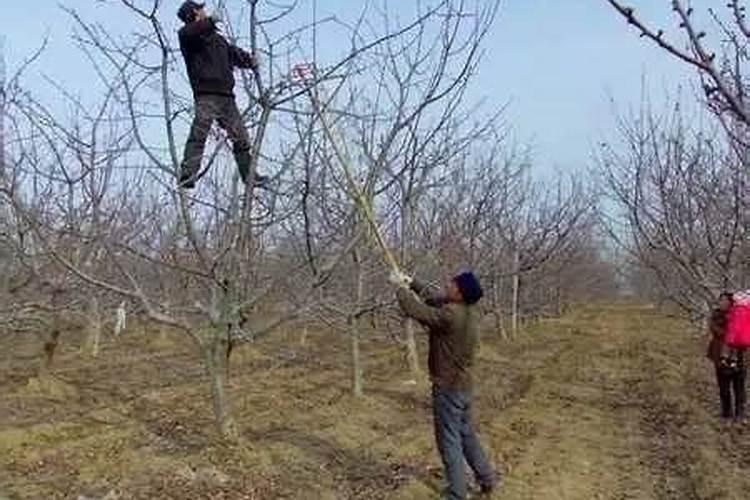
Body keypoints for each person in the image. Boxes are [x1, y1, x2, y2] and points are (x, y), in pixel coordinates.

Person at [389, 269, 497, 499]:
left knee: (448, 440)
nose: (447, 284)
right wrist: (413, 283)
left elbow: (417, 310)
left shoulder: (450, 316)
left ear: (459, 292)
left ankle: (457, 493)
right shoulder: (468, 311)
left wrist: (399, 289)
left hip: (448, 388)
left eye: (452, 283)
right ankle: (486, 478)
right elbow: (435, 298)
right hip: (464, 386)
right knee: (467, 435)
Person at [176, 1, 269, 189]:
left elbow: (233, 54)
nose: (204, 10)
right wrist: (210, 21)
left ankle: (249, 176)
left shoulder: (217, 39)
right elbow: (190, 32)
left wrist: (251, 60)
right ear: (195, 13)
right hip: (206, 95)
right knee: (199, 132)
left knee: (241, 137)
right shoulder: (188, 36)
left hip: (227, 97)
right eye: (201, 9)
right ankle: (188, 174)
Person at [707, 291, 746, 421]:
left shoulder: (740, 315)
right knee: (723, 386)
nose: (722, 303)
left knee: (738, 386)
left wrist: (736, 334)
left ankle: (740, 413)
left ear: (731, 303)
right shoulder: (716, 315)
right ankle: (726, 412)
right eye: (721, 300)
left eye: (725, 301)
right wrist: (730, 334)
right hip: (720, 356)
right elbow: (714, 329)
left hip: (739, 356)